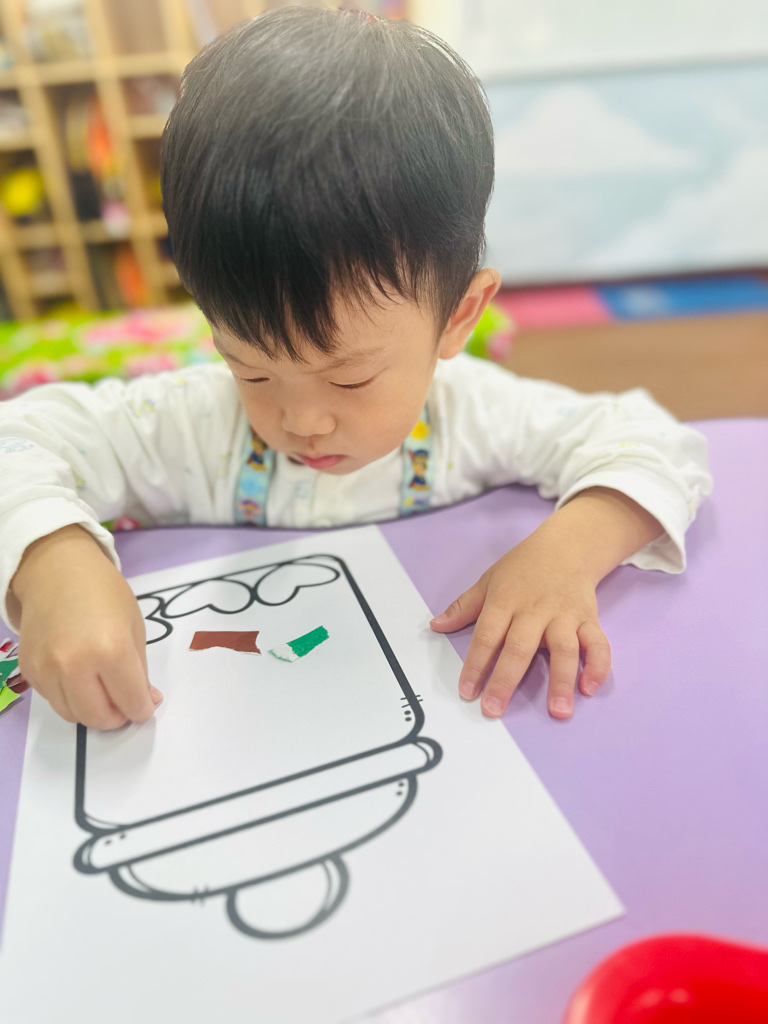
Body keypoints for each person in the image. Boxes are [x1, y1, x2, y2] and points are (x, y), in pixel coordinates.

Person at [0, 7, 711, 732]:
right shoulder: (187, 425)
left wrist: (569, 553)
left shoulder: (474, 414)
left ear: (459, 316)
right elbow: (16, 439)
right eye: (251, 370)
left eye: (349, 379)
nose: (301, 420)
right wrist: (50, 556)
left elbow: (656, 444)